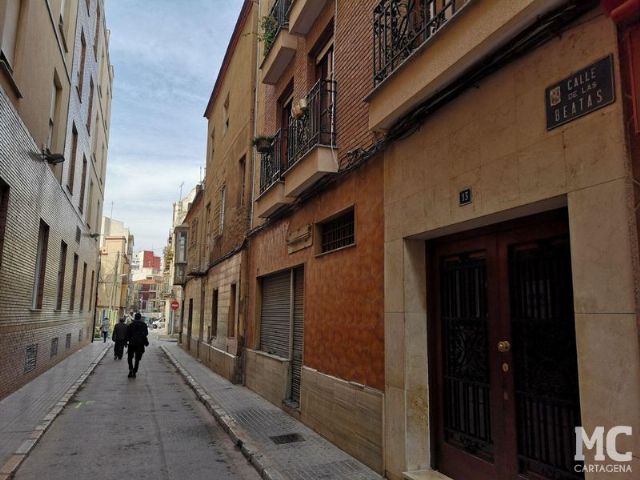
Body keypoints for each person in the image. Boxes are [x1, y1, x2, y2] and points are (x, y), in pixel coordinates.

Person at [126, 313, 149, 378]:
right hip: (140, 344)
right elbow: (146, 334)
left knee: (130, 358)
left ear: (135, 317)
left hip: (132, 344)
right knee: (137, 359)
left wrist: (126, 342)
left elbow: (127, 334)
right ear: (140, 318)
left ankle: (130, 369)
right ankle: (134, 371)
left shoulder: (131, 325)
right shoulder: (144, 325)